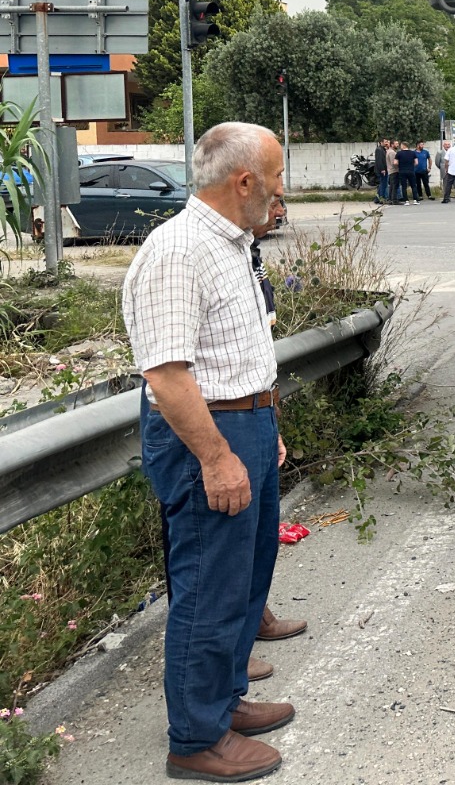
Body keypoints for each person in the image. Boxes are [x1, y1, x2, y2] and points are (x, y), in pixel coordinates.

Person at [123, 122, 294, 781]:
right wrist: (218, 456)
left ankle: (224, 702)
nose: (280, 194)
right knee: (209, 587)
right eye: (275, 179)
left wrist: (265, 422)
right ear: (244, 181)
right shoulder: (181, 250)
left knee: (245, 579)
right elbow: (166, 375)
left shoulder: (231, 244)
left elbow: (238, 350)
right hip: (207, 436)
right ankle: (195, 738)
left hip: (242, 424)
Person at [248, 197, 310, 655]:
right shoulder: (200, 252)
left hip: (255, 409)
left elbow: (256, 347)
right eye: (274, 194)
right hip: (226, 418)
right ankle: (225, 660)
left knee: (255, 537)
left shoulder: (248, 253)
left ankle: (250, 621)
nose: (280, 208)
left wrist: (271, 418)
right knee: (219, 552)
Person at [373, 137, 388, 203]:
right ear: (381, 142)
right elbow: (379, 161)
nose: (386, 143)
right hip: (381, 170)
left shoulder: (383, 149)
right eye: (385, 142)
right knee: (382, 184)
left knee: (382, 184)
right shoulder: (379, 150)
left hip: (384, 169)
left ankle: (377, 199)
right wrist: (382, 169)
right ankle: (381, 198)